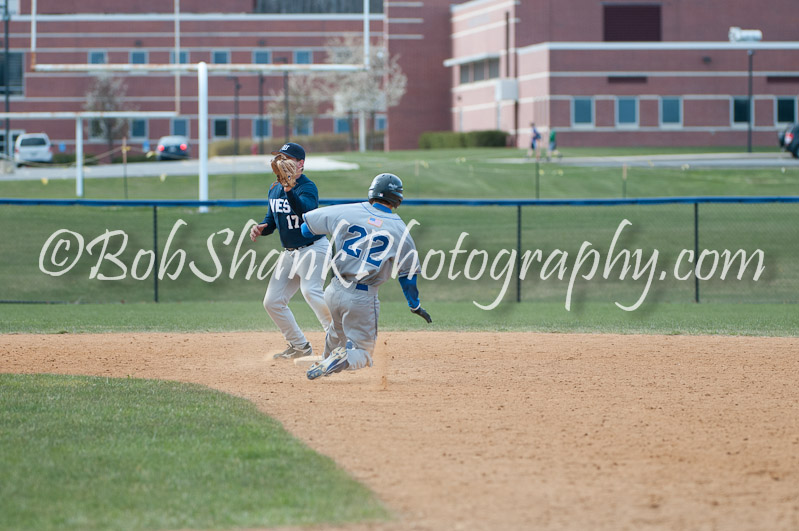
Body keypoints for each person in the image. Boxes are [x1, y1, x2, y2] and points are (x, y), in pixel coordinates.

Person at [299, 173, 432, 380]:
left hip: (334, 290)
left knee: (337, 332)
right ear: (397, 198)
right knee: (363, 352)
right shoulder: (400, 229)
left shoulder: (346, 210)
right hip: (362, 297)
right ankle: (341, 359)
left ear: (372, 192)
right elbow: (408, 276)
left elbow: (306, 230)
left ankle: (328, 360)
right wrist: (414, 305)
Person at [249, 142, 332, 359]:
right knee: (272, 302)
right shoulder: (274, 188)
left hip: (313, 249)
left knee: (311, 291)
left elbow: (307, 214)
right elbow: (272, 220)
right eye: (279, 158)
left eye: (287, 158)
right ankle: (299, 346)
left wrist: (290, 189)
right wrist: (261, 228)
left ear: (301, 163)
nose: (281, 162)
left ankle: (339, 340)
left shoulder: (307, 187)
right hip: (290, 253)